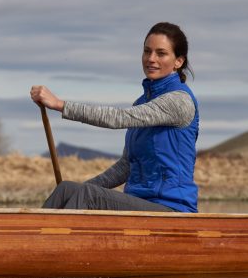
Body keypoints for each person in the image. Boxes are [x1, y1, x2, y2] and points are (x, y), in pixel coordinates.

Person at [30, 22, 200, 212]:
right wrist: (79, 191)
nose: (151, 59)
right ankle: (26, 238)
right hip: (140, 201)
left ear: (178, 61)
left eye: (161, 53)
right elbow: (126, 166)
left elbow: (118, 118)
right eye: (147, 51)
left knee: (87, 195)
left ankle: (50, 241)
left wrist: (59, 105)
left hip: (170, 208)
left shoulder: (179, 101)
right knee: (66, 189)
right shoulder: (142, 102)